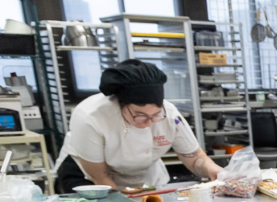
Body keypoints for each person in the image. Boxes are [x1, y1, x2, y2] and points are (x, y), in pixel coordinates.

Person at [54, 59, 222, 193]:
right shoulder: (91, 117)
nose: (149, 122)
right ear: (120, 104)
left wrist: (216, 171)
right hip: (89, 177)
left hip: (143, 175)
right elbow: (101, 177)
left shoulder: (170, 115)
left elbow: (196, 159)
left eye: (155, 115)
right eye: (139, 115)